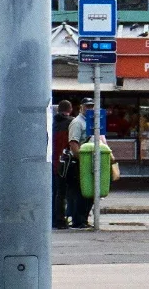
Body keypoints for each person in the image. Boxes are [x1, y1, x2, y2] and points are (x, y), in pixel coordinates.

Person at [68, 98, 94, 229]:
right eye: (87, 106)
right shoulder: (77, 123)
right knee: (81, 191)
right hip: (81, 161)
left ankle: (84, 218)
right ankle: (78, 220)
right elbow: (73, 143)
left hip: (90, 160)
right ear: (81, 107)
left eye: (91, 106)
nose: (90, 109)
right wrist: (81, 159)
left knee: (90, 191)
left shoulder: (91, 122)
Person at [51, 100, 75, 229]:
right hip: (65, 162)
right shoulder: (71, 122)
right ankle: (60, 219)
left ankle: (54, 218)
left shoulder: (52, 122)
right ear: (70, 109)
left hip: (52, 161)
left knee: (55, 191)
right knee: (63, 193)